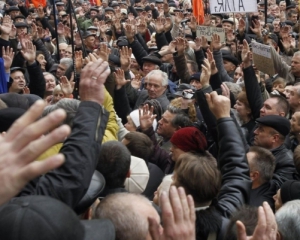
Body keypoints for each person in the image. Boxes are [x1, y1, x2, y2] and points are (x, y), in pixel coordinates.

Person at [253, 115, 296, 188]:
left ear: (274, 138)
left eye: (261, 130)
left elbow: (273, 189)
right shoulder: (256, 149)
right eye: (257, 128)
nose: (255, 132)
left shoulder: (287, 162)